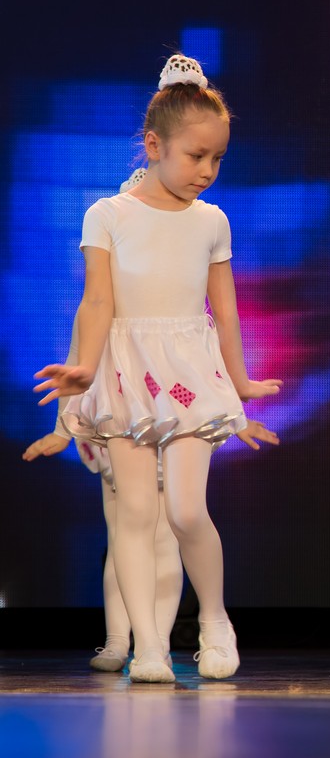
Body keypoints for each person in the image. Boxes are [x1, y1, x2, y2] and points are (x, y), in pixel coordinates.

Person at [33, 54, 281, 683]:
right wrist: (83, 368)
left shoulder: (212, 221)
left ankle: (215, 620)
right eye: (196, 156)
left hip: (189, 374)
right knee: (137, 514)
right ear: (154, 145)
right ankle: (147, 647)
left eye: (217, 158)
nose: (207, 171)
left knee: (187, 511)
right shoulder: (108, 215)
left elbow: (225, 312)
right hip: (125, 373)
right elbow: (97, 302)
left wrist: (241, 381)